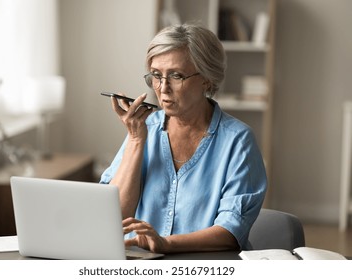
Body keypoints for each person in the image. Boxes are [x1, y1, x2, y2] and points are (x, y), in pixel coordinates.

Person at [100, 23, 267, 253]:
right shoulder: (141, 128)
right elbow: (112, 219)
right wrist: (136, 141)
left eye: (176, 76)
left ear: (207, 79)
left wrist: (165, 244)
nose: (163, 88)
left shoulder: (238, 141)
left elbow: (231, 231)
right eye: (156, 76)